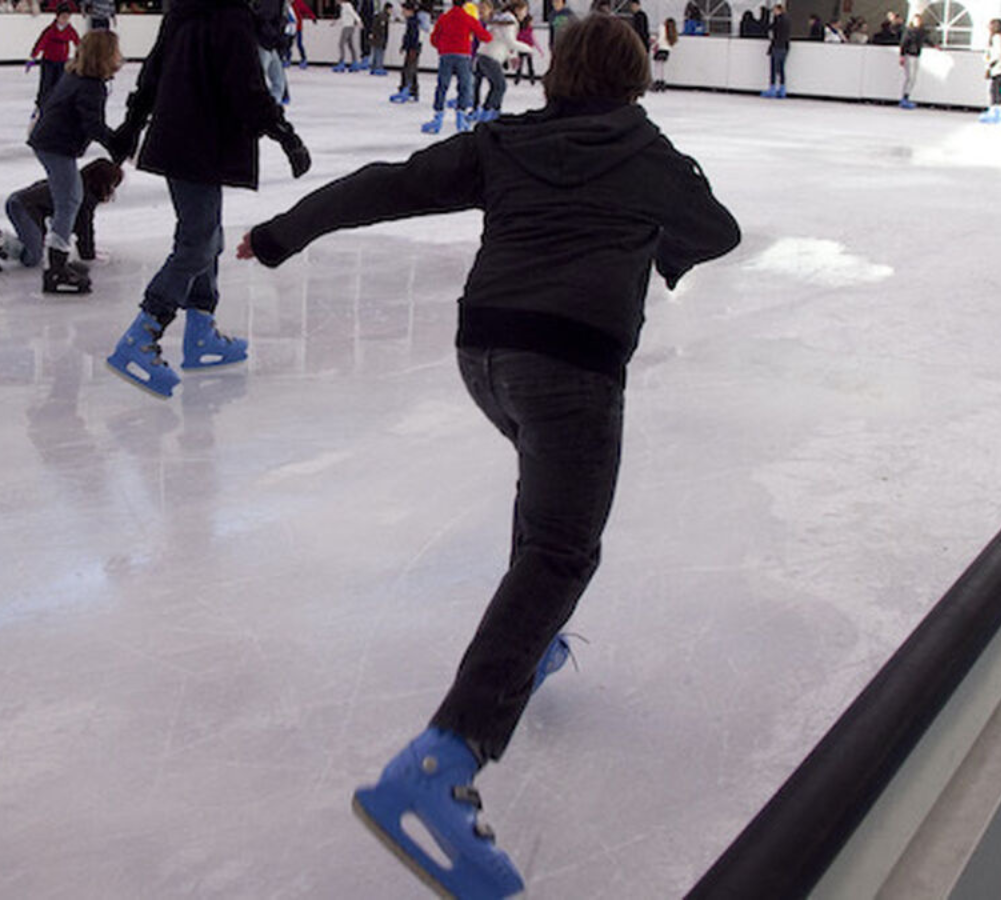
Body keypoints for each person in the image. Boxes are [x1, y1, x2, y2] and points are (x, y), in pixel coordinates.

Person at [236, 14, 740, 897]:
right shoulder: (651, 157)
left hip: (485, 356)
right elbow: (717, 231)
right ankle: (442, 762)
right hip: (572, 367)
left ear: (553, 74)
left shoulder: (507, 142)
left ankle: (527, 644)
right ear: (637, 82)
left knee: (544, 501)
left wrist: (283, 232)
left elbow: (387, 185)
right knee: (561, 550)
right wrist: (657, 238)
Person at [104, 0, 311, 399]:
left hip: (178, 138)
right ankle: (142, 334)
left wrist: (132, 125)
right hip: (203, 142)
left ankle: (201, 330)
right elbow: (248, 89)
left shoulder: (184, 9)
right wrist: (287, 136)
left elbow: (152, 72)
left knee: (207, 235)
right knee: (197, 243)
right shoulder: (228, 15)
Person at [26, 28, 121, 294]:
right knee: (68, 201)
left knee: (71, 198)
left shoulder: (78, 78)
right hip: (55, 146)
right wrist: (120, 146)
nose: (120, 57)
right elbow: (93, 126)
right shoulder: (90, 86)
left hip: (51, 143)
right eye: (115, 52)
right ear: (103, 55)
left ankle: (60, 262)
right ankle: (55, 269)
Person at [3, 158, 122, 271]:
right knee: (32, 258)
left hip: (22, 203)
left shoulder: (73, 181)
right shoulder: (84, 196)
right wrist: (88, 255)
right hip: (22, 206)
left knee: (36, 248)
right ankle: (3, 242)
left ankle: (6, 244)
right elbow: (84, 227)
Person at [421, 0, 491, 134]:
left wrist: (442, 47)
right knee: (465, 85)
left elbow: (434, 38)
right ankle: (461, 116)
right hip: (463, 55)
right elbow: (484, 36)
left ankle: (438, 117)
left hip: (446, 55)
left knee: (442, 85)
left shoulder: (444, 17)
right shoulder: (468, 18)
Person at [473, 0, 522, 121]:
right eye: (480, 9)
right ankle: (482, 110)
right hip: (484, 56)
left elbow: (504, 39)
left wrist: (512, 55)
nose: (482, 11)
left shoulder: (496, 20)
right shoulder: (486, 22)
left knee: (496, 85)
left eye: (484, 9)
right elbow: (480, 40)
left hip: (491, 56)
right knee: (488, 84)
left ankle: (493, 110)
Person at [27, 4, 81, 114]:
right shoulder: (50, 30)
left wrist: (82, 55)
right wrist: (33, 56)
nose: (65, 20)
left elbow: (78, 43)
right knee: (45, 85)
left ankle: (56, 107)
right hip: (48, 62)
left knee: (59, 85)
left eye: (67, 17)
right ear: (57, 17)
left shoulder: (70, 30)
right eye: (63, 17)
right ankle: (40, 106)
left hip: (62, 62)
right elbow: (41, 43)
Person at [390, 0, 430, 102]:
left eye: (404, 10)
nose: (402, 12)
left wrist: (411, 48)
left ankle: (406, 89)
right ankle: (413, 91)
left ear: (410, 11)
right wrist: (404, 46)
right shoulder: (411, 20)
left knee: (408, 70)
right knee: (411, 70)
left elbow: (413, 36)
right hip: (412, 48)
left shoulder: (413, 21)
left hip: (413, 48)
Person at [979, 18, 1001, 124]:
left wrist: (990, 66)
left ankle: (995, 112)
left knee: (995, 89)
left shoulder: (997, 38)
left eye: (990, 25)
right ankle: (998, 111)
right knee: (997, 89)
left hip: (1000, 67)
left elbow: (997, 54)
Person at [898, 12, 934, 109]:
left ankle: (906, 97)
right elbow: (903, 43)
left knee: (913, 78)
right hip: (909, 55)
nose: (917, 22)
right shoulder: (909, 31)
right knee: (910, 77)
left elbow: (926, 40)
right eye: (915, 20)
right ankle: (904, 98)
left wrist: (934, 45)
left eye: (918, 21)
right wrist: (901, 55)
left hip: (916, 55)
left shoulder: (921, 32)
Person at [761, 2, 788, 98]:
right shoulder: (787, 20)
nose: (774, 12)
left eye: (775, 10)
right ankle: (782, 88)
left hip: (777, 46)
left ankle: (772, 88)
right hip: (784, 46)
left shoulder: (778, 20)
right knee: (781, 69)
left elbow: (770, 28)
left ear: (779, 10)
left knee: (773, 68)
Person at [284, 0, 317, 68]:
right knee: (288, 45)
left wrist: (312, 17)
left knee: (299, 44)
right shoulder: (285, 4)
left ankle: (303, 59)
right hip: (289, 27)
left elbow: (306, 10)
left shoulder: (298, 2)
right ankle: (287, 59)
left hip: (298, 27)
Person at [333, 0, 364, 72]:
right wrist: (336, 22)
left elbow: (353, 13)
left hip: (348, 27)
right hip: (349, 26)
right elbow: (344, 17)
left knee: (341, 44)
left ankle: (341, 62)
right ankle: (355, 62)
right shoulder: (343, 6)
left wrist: (359, 21)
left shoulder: (347, 5)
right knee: (350, 45)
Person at [512, 10, 542, 83]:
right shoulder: (521, 30)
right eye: (531, 22)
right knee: (521, 64)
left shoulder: (529, 30)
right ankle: (518, 78)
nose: (532, 23)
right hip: (522, 48)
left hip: (528, 49)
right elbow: (516, 39)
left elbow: (534, 40)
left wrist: (540, 50)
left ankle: (531, 78)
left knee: (529, 64)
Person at [649, 15, 676, 92]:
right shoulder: (671, 31)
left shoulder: (662, 28)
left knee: (657, 66)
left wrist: (654, 43)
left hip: (660, 48)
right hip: (667, 50)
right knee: (662, 66)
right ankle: (662, 81)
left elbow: (660, 39)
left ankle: (657, 81)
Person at [368, 1, 394, 75]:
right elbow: (382, 29)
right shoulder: (383, 16)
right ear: (387, 9)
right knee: (379, 53)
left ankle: (374, 67)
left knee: (376, 52)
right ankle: (378, 67)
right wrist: (383, 40)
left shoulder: (382, 15)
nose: (391, 11)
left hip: (376, 37)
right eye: (391, 9)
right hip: (379, 38)